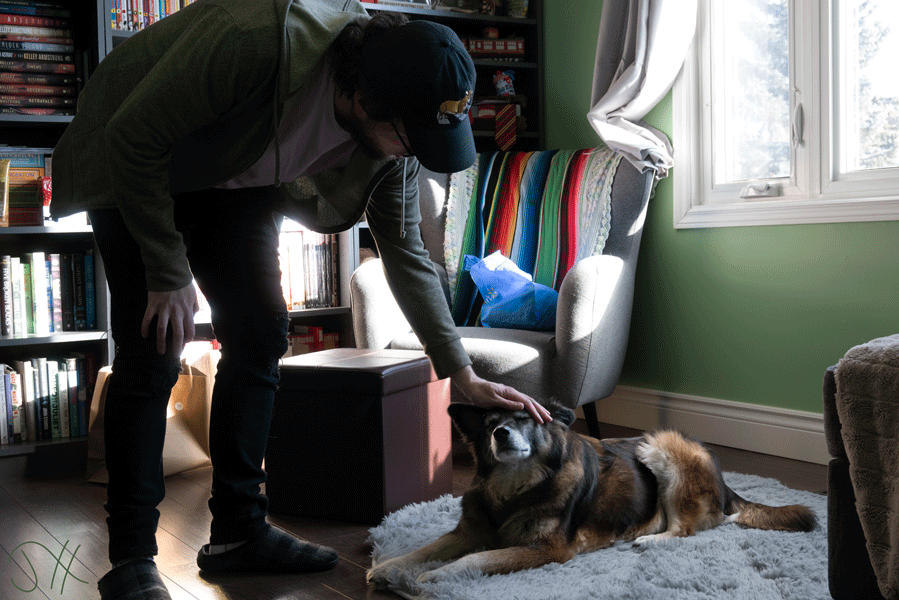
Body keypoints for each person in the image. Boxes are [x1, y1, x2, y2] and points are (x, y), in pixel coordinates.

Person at [51, 1, 552, 599]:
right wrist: (167, 268)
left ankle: (238, 530)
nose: (409, 153)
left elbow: (407, 254)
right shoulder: (257, 42)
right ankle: (131, 558)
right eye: (407, 137)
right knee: (154, 347)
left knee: (260, 331)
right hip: (138, 159)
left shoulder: (393, 145)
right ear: (365, 100)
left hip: (232, 176)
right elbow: (133, 134)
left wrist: (460, 372)